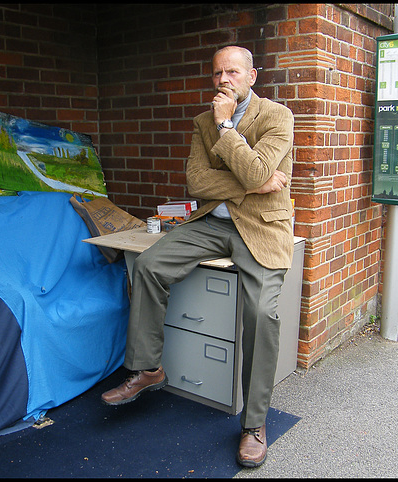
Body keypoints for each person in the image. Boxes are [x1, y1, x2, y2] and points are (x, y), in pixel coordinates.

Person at [101, 45, 294, 468]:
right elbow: (196, 183)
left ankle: (254, 424)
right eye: (217, 73)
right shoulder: (200, 121)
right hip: (212, 224)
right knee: (150, 265)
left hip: (261, 227)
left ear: (252, 76)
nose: (224, 80)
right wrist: (251, 182)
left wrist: (228, 127)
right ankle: (149, 368)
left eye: (233, 72)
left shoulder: (277, 116)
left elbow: (259, 172)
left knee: (261, 313)